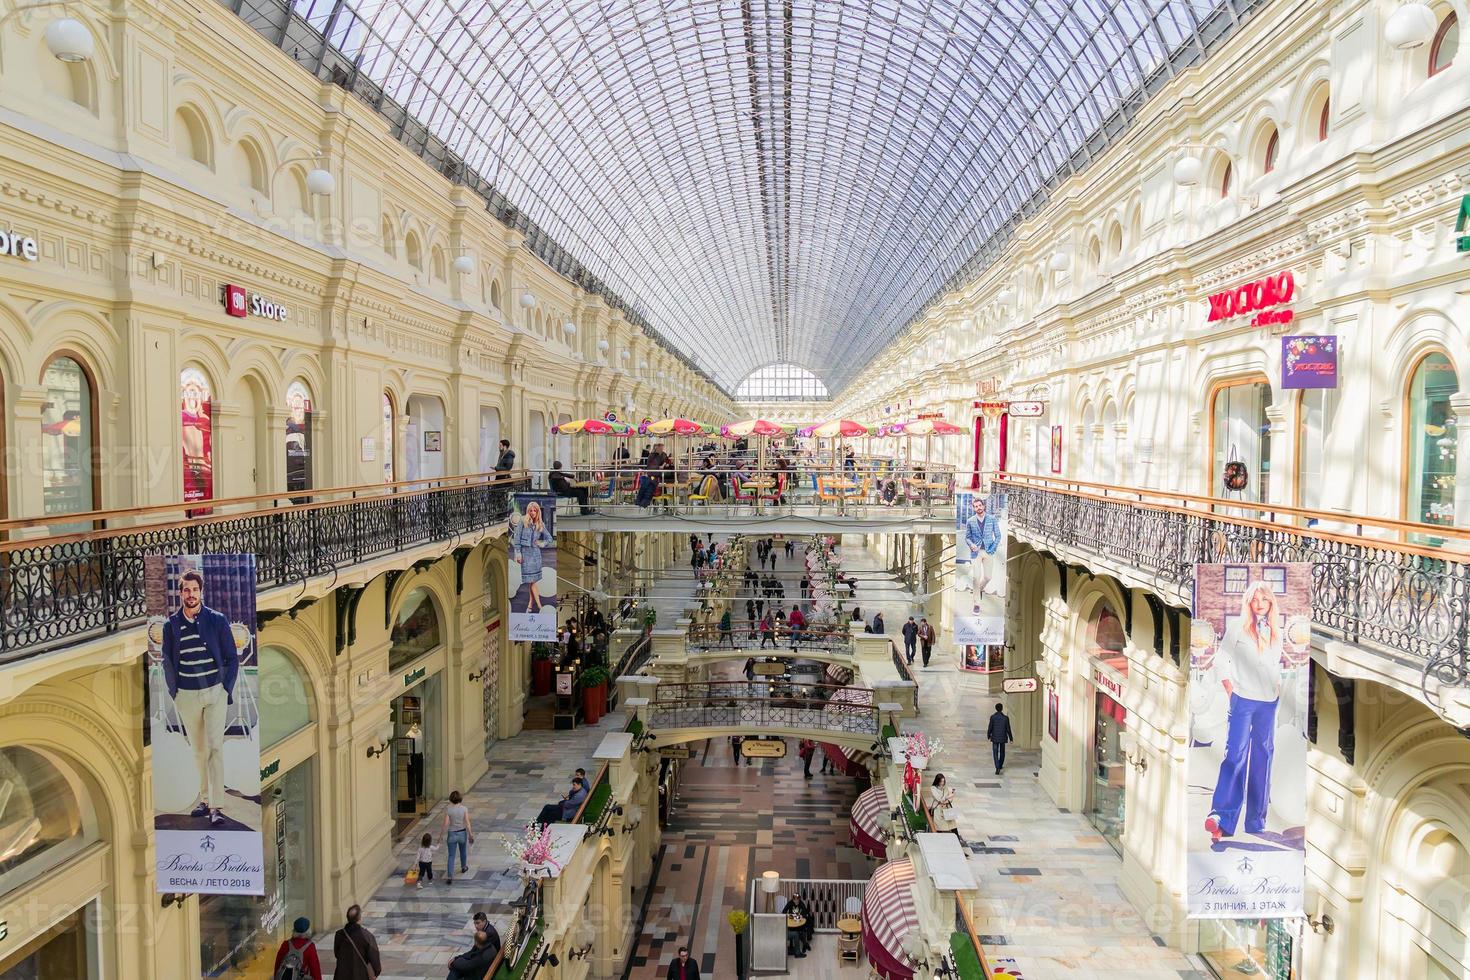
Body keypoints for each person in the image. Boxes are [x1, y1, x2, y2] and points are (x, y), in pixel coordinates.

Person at [1205, 581, 1288, 843]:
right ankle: (1221, 818)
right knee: (1235, 756)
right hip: (1242, 699)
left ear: (1271, 603)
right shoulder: (1237, 629)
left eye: (1264, 599)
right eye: (1255, 600)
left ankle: (1255, 820)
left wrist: (1277, 687)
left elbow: (1274, 663)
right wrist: (1231, 690)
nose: (1260, 604)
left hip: (1268, 701)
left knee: (1263, 757)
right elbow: (1221, 661)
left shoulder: (1277, 631)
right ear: (1249, 603)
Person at [160, 568, 240, 827]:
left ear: (200, 592)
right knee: (199, 751)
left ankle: (216, 806)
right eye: (186, 590)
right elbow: (168, 661)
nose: (190, 594)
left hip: (214, 692)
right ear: (181, 593)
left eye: (194, 590)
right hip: (187, 694)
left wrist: (225, 688)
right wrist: (175, 692)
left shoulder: (216, 620)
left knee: (215, 747)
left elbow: (231, 657)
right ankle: (205, 800)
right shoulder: (171, 625)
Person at [510, 501, 554, 614]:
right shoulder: (522, 521)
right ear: (528, 511)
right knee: (532, 581)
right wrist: (518, 554)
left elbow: (549, 539)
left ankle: (530, 605)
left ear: (538, 511)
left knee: (532, 582)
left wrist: (542, 543)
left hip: (536, 555)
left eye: (535, 510)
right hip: (525, 555)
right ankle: (539, 606)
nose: (533, 512)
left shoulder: (540, 524)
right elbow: (517, 539)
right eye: (531, 510)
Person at [963, 497, 1003, 598]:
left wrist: (993, 548)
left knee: (988, 577)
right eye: (976, 506)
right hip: (976, 553)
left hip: (989, 551)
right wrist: (971, 544)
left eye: (980, 505)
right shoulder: (970, 521)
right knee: (976, 577)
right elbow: (967, 538)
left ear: (983, 506)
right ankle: (976, 604)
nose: (978, 508)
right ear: (974, 508)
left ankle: (979, 589)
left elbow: (998, 536)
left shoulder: (992, 519)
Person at [332, 905, 381, 980]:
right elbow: (374, 957)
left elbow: (337, 953)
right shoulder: (366, 936)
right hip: (360, 975)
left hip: (342, 974)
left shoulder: (339, 934)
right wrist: (376, 972)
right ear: (359, 918)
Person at [441, 790, 473, 884]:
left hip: (452, 834)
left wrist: (440, 835)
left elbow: (446, 824)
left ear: (451, 799)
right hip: (462, 833)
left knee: (451, 855)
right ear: (460, 798)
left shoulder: (449, 809)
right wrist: (470, 834)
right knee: (463, 852)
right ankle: (463, 867)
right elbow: (467, 823)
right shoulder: (464, 809)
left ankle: (450, 875)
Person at [987, 703, 1014, 775]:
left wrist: (988, 735)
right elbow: (1008, 729)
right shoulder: (1005, 718)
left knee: (995, 753)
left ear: (996, 708)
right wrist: (1011, 738)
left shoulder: (993, 717)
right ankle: (1000, 765)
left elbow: (990, 727)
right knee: (1002, 752)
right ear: (1002, 709)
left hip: (995, 737)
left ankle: (997, 767)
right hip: (1002, 737)